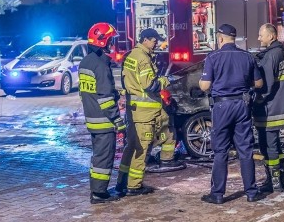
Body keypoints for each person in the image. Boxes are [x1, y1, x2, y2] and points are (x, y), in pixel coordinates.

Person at [116, 28, 185, 197]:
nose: (156, 44)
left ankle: (122, 181)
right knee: (142, 149)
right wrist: (164, 80)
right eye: (154, 41)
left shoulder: (132, 55)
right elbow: (150, 86)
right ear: (146, 40)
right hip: (145, 114)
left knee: (131, 146)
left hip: (135, 112)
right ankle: (134, 185)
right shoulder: (143, 59)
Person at [198, 24, 264, 204]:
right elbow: (258, 83)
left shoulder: (213, 57)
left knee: (220, 151)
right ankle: (251, 192)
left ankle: (217, 194)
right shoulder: (247, 56)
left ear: (220, 38)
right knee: (245, 150)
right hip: (242, 105)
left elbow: (204, 86)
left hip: (222, 107)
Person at [78, 22, 125, 204]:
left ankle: (96, 190)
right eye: (111, 40)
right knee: (104, 159)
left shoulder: (86, 62)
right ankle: (99, 193)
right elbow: (105, 97)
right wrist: (118, 120)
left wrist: (114, 93)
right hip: (104, 120)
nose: (112, 44)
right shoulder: (101, 65)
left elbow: (90, 91)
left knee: (98, 157)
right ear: (104, 42)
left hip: (92, 118)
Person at [253, 23, 284, 192]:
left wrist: (257, 100)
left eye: (261, 35)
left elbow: (267, 85)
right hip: (278, 107)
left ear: (271, 36)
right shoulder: (279, 53)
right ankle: (282, 179)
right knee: (274, 145)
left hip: (270, 110)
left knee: (268, 146)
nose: (258, 38)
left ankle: (275, 183)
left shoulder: (271, 56)